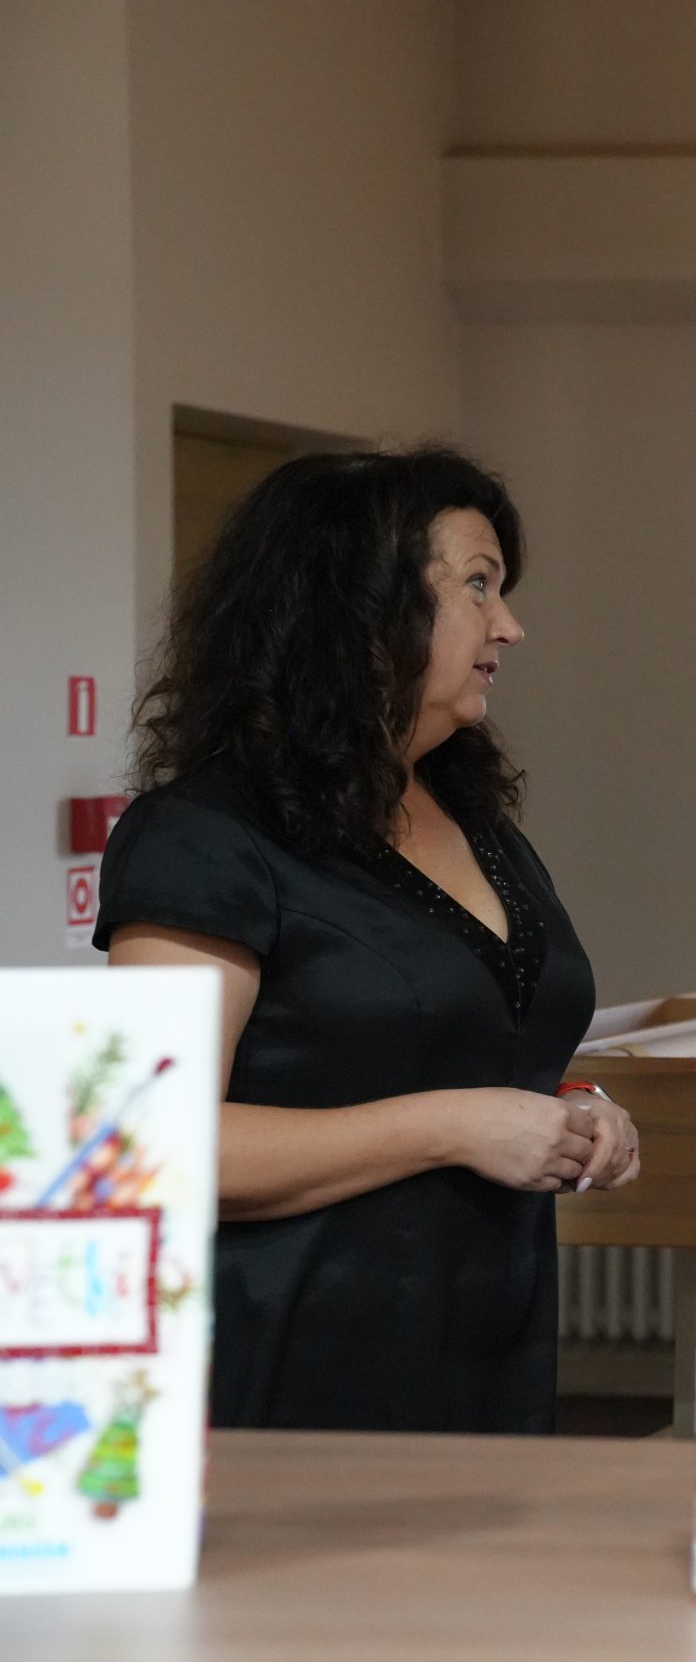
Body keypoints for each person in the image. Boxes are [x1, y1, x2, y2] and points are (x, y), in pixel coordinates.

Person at [98, 448, 639, 1433]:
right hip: (288, 1369)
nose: (509, 626)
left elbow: (455, 1045)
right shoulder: (205, 837)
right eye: (478, 585)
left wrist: (571, 1110)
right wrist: (452, 1126)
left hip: (486, 1355)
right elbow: (149, 1146)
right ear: (362, 606)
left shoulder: (476, 822)